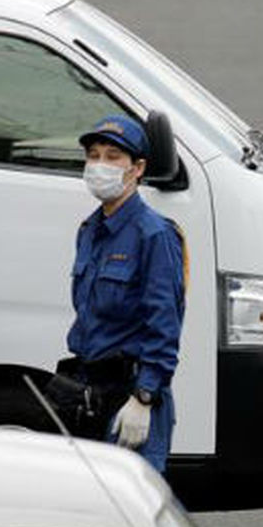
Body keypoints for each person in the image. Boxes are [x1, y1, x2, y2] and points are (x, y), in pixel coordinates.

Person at [67, 115, 186, 472]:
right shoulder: (90, 230)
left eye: (113, 157)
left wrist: (144, 397)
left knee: (137, 507)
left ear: (137, 168)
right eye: (93, 155)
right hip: (91, 391)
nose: (100, 165)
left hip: (131, 395)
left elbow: (164, 323)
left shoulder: (154, 234)